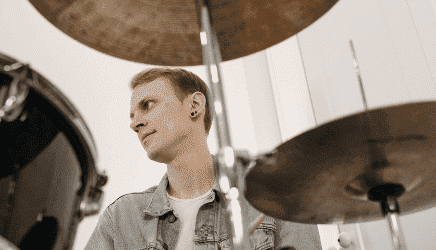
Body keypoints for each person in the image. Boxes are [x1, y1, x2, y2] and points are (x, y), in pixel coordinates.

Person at [85, 68, 322, 250]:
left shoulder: (273, 200)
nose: (135, 123)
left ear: (195, 106)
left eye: (147, 105)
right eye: (132, 115)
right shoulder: (121, 217)